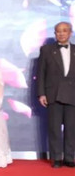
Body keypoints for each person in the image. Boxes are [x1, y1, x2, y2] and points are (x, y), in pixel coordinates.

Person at [37, 21, 75, 168]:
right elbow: (41, 73)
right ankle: (56, 157)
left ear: (70, 33)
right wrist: (41, 93)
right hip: (53, 93)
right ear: (55, 34)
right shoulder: (46, 50)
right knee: (54, 128)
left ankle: (70, 157)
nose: (61, 33)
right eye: (58, 31)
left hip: (72, 93)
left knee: (71, 128)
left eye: (65, 30)